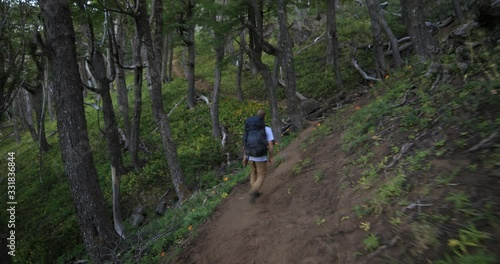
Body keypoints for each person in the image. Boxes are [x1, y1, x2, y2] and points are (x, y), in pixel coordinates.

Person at [242, 109, 274, 204]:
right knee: (261, 175)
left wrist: (244, 157)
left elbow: (245, 144)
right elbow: (271, 145)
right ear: (264, 117)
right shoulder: (267, 129)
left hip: (249, 155)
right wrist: (271, 156)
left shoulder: (249, 130)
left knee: (253, 172)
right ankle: (253, 191)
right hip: (260, 156)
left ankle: (255, 190)